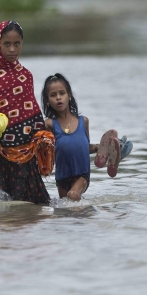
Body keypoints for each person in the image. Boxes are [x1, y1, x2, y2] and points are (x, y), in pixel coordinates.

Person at [0, 21, 53, 205]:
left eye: (17, 44)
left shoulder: (25, 75)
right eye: (7, 44)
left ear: (22, 43)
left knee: (27, 208)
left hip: (22, 153)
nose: (12, 49)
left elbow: (31, 113)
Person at [41, 73, 133, 201]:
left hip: (81, 174)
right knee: (65, 211)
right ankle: (86, 216)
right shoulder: (49, 124)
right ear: (47, 100)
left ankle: (115, 150)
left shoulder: (83, 121)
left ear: (69, 95)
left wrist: (98, 148)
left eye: (62, 93)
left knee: (73, 195)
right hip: (61, 176)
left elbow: (83, 147)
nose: (58, 98)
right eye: (53, 95)